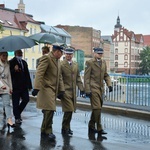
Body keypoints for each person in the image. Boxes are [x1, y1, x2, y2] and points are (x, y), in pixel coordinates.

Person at [32, 45, 65, 141]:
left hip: (53, 89)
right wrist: (36, 88)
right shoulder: (47, 58)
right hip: (46, 88)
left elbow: (59, 77)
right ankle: (48, 131)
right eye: (61, 52)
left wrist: (61, 90)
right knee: (50, 109)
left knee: (48, 111)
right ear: (56, 51)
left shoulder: (58, 61)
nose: (62, 54)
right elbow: (39, 73)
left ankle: (44, 129)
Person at [84, 47, 112, 138]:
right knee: (97, 108)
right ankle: (99, 128)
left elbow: (106, 75)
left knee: (96, 108)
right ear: (94, 53)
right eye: (98, 53)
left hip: (101, 88)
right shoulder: (89, 62)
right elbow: (86, 77)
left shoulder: (103, 62)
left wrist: (109, 84)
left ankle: (91, 125)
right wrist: (87, 90)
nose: (100, 55)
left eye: (101, 53)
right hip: (93, 88)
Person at [60, 48, 84, 136]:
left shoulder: (75, 65)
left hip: (73, 91)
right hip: (65, 91)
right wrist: (61, 90)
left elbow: (78, 77)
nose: (68, 56)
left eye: (70, 54)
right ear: (64, 54)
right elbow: (60, 78)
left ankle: (67, 127)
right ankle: (65, 127)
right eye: (67, 54)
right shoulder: (61, 64)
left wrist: (82, 88)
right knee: (69, 109)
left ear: (72, 55)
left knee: (70, 110)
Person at [9, 50, 32, 124]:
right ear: (15, 54)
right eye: (19, 53)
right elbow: (9, 74)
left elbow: (27, 74)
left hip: (24, 86)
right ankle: (17, 117)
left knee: (26, 99)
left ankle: (17, 112)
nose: (20, 55)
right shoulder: (11, 62)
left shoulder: (24, 62)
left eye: (21, 53)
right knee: (15, 102)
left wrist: (29, 85)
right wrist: (14, 70)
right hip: (15, 86)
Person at [0, 52, 15, 129]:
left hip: (5, 87)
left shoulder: (7, 64)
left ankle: (9, 120)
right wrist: (1, 85)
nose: (5, 57)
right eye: (3, 55)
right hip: (1, 85)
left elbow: (9, 77)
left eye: (6, 55)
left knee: (7, 104)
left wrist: (10, 87)